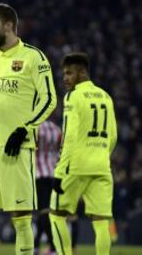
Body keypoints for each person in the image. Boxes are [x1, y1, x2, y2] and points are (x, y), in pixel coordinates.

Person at [0, 3, 57, 255]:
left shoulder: (33, 57)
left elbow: (49, 99)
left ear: (8, 25)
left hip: (16, 148)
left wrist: (25, 128)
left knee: (21, 216)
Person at [49, 52, 117, 255]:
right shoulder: (106, 96)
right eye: (64, 74)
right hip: (102, 167)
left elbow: (68, 136)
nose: (65, 78)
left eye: (69, 73)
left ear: (82, 72)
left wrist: (60, 172)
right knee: (101, 222)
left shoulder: (73, 96)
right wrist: (101, 155)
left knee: (56, 215)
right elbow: (112, 136)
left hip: (75, 166)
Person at [34, 120, 61, 255]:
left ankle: (53, 248)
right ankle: (36, 245)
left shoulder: (35, 127)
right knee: (45, 211)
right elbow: (61, 150)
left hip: (39, 174)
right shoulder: (56, 129)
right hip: (54, 174)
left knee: (44, 211)